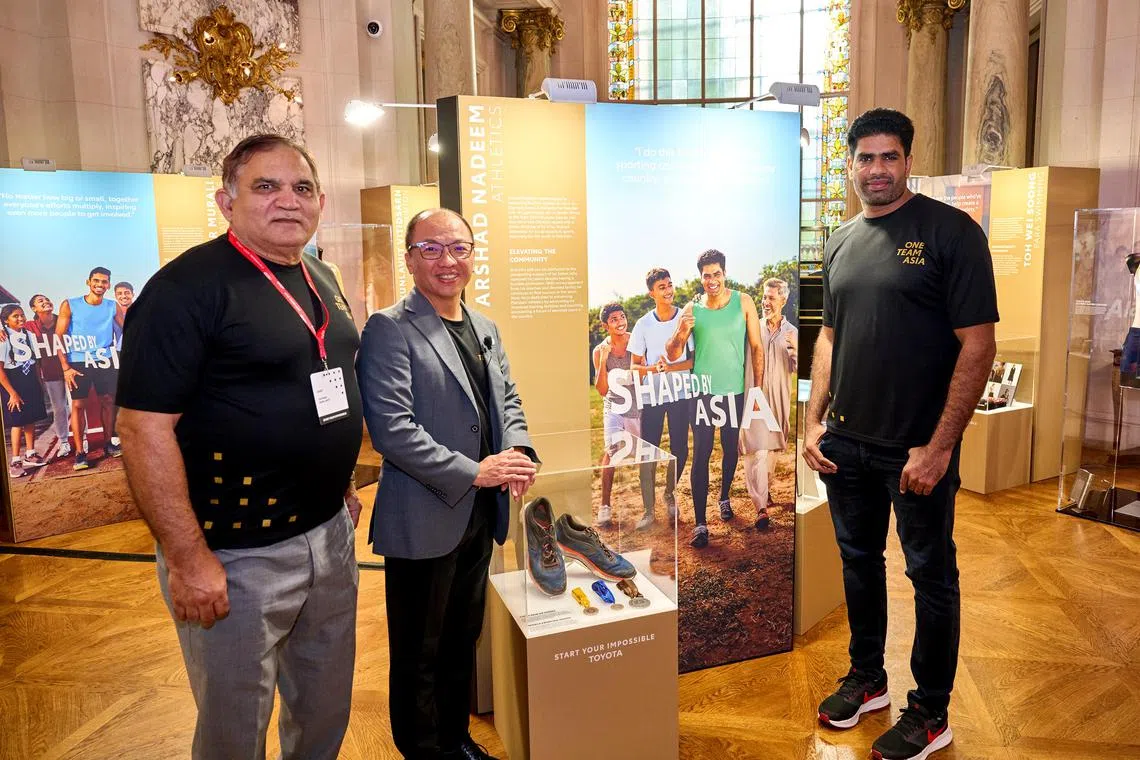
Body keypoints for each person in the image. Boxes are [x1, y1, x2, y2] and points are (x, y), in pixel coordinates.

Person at [116, 134, 363, 760]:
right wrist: (187, 558)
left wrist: (340, 483)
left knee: (324, 705)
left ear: (321, 202)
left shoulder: (320, 274)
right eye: (266, 186)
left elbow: (319, 382)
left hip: (329, 537)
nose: (288, 200)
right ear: (226, 201)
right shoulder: (184, 289)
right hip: (234, 554)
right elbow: (144, 430)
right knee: (235, 727)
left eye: (301, 188)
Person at [803, 109, 997, 760]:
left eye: (890, 157)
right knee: (858, 564)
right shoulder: (839, 241)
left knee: (930, 576)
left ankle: (931, 712)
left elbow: (978, 345)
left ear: (908, 162)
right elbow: (830, 336)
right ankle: (868, 679)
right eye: (865, 158)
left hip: (916, 450)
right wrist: (813, 421)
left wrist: (940, 445)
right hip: (846, 444)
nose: (877, 170)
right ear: (850, 164)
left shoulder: (952, 233)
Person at [358, 207, 537, 760]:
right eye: (431, 249)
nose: (446, 260)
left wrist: (520, 450)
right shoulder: (390, 328)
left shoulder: (485, 327)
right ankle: (423, 749)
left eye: (458, 248)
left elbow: (506, 399)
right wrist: (475, 470)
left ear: (473, 256)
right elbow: (393, 430)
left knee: (462, 635)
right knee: (420, 649)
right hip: (423, 515)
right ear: (410, 257)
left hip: (481, 514)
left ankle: (456, 741)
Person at [666, 250, 765, 548]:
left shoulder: (743, 302)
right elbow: (672, 353)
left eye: (716, 274)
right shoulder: (692, 309)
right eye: (706, 275)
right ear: (700, 277)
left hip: (733, 392)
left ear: (724, 273)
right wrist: (682, 332)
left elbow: (757, 348)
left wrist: (756, 391)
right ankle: (700, 524)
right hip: (703, 392)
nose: (712, 280)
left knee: (730, 448)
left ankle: (724, 497)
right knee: (703, 453)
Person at [629, 267, 693, 529]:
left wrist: (670, 367)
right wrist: (653, 369)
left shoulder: (686, 319)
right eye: (661, 287)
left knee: (680, 448)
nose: (668, 290)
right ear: (651, 293)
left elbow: (692, 361)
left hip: (680, 393)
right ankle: (648, 510)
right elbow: (634, 366)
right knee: (648, 452)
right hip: (653, 396)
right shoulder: (643, 324)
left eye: (669, 285)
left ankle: (669, 493)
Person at [740, 277, 798, 529]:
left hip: (779, 401)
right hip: (755, 399)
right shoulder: (752, 328)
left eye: (771, 298)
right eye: (764, 297)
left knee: (771, 450)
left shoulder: (792, 332)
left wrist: (796, 351)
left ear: (783, 300)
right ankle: (760, 506)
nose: (765, 302)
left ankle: (765, 489)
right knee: (758, 451)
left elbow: (798, 368)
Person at [55, 266, 123, 469]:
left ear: (109, 284)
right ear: (88, 282)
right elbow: (58, 338)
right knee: (78, 405)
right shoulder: (70, 304)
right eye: (96, 281)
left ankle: (108, 443)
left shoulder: (112, 306)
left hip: (104, 359)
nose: (100, 285)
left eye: (104, 282)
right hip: (77, 361)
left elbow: (128, 328)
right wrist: (66, 367)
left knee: (108, 400)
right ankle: (80, 453)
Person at [593, 301, 641, 525]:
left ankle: (649, 505)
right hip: (614, 406)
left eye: (622, 316)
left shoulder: (637, 341)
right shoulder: (599, 350)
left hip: (638, 405)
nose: (620, 321)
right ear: (606, 325)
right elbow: (602, 390)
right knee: (611, 452)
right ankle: (605, 506)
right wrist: (603, 361)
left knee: (644, 455)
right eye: (614, 319)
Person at [17, 295, 71, 457]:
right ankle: (64, 442)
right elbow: (11, 328)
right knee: (59, 409)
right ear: (34, 309)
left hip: (70, 369)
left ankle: (83, 439)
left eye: (47, 299)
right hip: (51, 374)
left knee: (76, 406)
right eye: (40, 301)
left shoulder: (63, 319)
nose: (46, 301)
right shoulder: (30, 326)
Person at [1, 304, 49, 478]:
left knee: (31, 417)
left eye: (22, 315)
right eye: (15, 316)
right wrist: (12, 393)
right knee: (17, 421)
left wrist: (39, 383)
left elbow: (35, 361)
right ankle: (15, 460)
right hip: (13, 382)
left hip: (29, 380)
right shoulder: (3, 337)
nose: (21, 318)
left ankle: (30, 453)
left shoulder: (29, 335)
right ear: (5, 320)